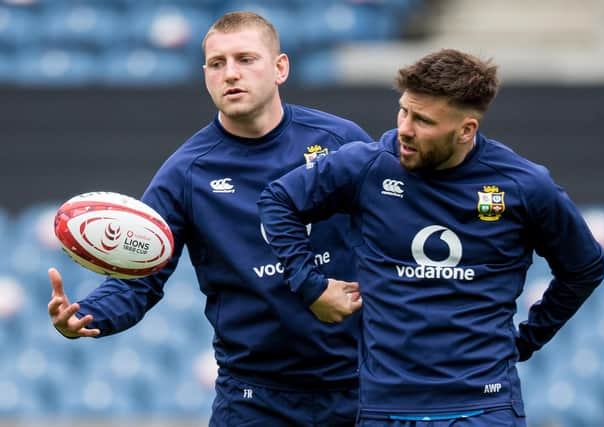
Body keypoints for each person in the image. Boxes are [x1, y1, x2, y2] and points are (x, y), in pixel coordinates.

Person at [47, 11, 372, 427]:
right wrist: (88, 314)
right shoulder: (187, 171)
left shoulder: (340, 142)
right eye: (217, 64)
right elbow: (140, 276)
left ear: (280, 68)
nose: (230, 74)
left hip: (359, 388)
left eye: (245, 59)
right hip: (254, 399)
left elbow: (391, 232)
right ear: (205, 75)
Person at [258, 48, 604, 426]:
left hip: (483, 408)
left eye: (423, 120)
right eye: (404, 110)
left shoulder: (523, 185)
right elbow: (277, 200)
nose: (405, 129)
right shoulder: (368, 166)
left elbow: (584, 267)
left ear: (466, 130)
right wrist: (310, 285)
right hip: (384, 408)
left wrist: (527, 339)